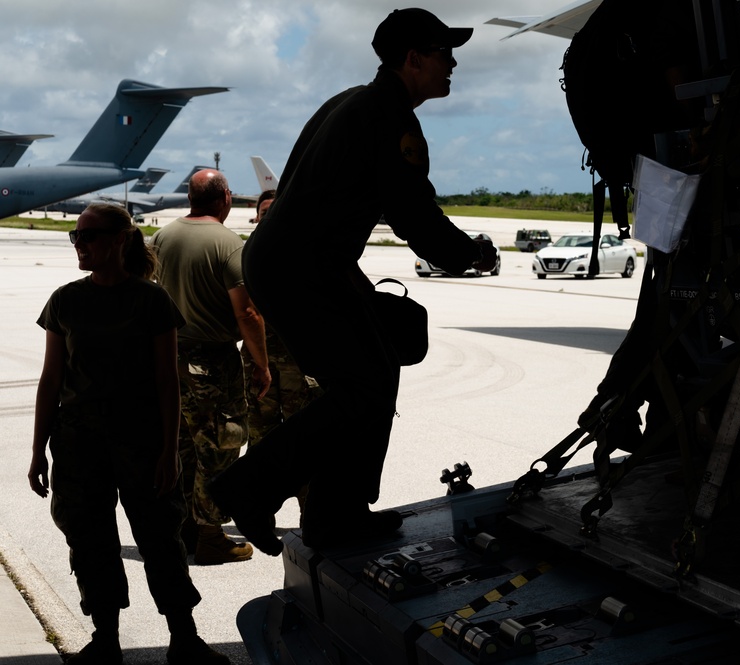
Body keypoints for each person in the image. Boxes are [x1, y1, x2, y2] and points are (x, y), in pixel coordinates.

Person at [209, 8, 497, 553]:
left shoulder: (349, 101)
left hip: (296, 260)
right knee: (361, 388)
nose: (453, 62)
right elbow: (416, 217)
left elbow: (298, 185)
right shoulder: (390, 120)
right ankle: (251, 487)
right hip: (303, 267)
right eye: (444, 52)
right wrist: (472, 254)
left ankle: (335, 515)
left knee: (376, 374)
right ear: (413, 59)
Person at [28, 203, 230, 664]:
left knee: (162, 538)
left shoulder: (151, 300)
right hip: (79, 444)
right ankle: (106, 639)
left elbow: (167, 381)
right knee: (90, 541)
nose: (80, 244)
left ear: (120, 239)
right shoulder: (65, 300)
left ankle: (184, 638)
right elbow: (50, 380)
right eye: (76, 237)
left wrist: (169, 450)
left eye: (90, 236)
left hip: (142, 441)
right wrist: (38, 450)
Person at [151, 169, 271, 565]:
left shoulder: (163, 236)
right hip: (211, 362)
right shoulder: (226, 242)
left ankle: (183, 528)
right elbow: (248, 311)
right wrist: (261, 363)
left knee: (180, 445)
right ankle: (210, 535)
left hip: (168, 355)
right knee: (220, 445)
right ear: (224, 198)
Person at [239, 190, 320, 514]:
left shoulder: (308, 253)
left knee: (305, 442)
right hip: (258, 365)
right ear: (256, 216)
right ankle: (259, 511)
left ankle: (313, 513)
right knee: (261, 441)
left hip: (299, 366)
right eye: (263, 211)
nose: (267, 216)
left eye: (274, 210)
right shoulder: (245, 254)